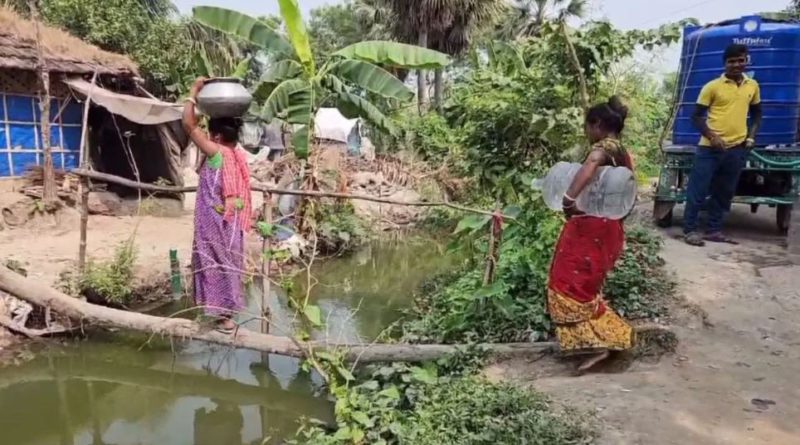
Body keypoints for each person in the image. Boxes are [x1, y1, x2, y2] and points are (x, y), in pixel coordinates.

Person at [547, 96, 635, 372]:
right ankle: (598, 340)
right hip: (605, 228)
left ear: (596, 124)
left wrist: (568, 198)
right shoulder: (622, 152)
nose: (586, 132)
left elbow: (591, 164)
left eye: (587, 126)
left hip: (592, 228)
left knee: (566, 285)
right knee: (580, 286)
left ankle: (601, 343)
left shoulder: (604, 148)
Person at [183, 78, 252, 334]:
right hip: (232, 225)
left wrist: (193, 92)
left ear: (217, 135)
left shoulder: (216, 153)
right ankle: (226, 314)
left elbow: (188, 125)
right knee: (229, 264)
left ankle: (221, 317)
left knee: (213, 262)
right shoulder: (237, 155)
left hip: (214, 222)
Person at [683, 44, 762, 246]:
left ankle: (714, 230)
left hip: (736, 149)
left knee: (724, 192)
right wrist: (712, 136)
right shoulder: (712, 87)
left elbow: (756, 114)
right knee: (697, 190)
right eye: (731, 61)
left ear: (746, 61)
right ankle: (690, 230)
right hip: (709, 149)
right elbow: (697, 116)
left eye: (740, 60)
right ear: (725, 63)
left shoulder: (752, 85)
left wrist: (751, 138)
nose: (736, 65)